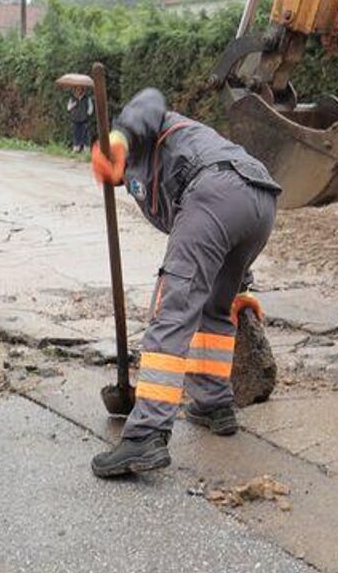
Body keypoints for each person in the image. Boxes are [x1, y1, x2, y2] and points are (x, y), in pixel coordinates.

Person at [87, 88, 281, 478]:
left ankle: (146, 436)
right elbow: (217, 231)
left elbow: (150, 99)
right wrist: (241, 289)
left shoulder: (146, 125)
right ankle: (213, 402)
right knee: (215, 305)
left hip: (215, 188)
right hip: (260, 202)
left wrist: (118, 137)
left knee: (172, 308)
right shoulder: (142, 172)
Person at [66, 87, 94, 152]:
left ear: (82, 90)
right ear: (75, 90)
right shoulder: (72, 98)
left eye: (80, 89)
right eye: (77, 89)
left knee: (85, 134)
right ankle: (76, 148)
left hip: (84, 119)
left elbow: (90, 108)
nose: (78, 91)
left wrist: (88, 114)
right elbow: (68, 108)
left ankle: (86, 149)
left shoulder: (87, 98)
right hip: (75, 118)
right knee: (76, 133)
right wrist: (73, 104)